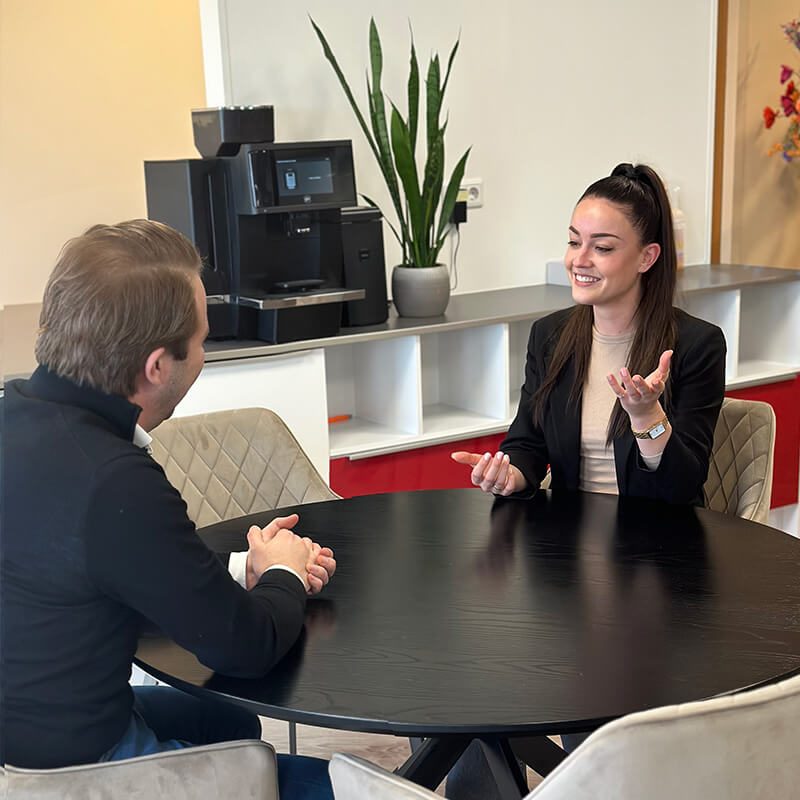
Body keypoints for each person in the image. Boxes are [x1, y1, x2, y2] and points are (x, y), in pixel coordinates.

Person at [1, 220, 337, 799]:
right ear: (157, 367)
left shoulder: (16, 412)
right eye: (203, 341)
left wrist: (241, 569)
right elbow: (245, 647)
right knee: (336, 787)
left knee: (228, 725)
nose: (204, 354)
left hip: (22, 734)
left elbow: (105, 565)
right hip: (67, 771)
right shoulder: (113, 480)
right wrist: (282, 570)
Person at [449, 163, 726, 796]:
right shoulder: (552, 336)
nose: (581, 259)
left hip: (658, 567)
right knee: (470, 676)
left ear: (648, 256)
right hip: (566, 562)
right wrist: (511, 473)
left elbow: (683, 489)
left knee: (598, 708)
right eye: (575, 240)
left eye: (602, 247)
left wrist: (648, 416)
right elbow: (528, 442)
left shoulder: (696, 346)